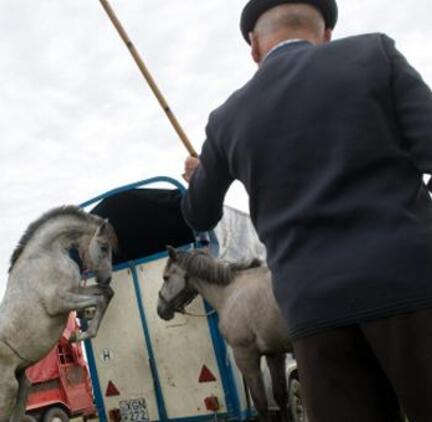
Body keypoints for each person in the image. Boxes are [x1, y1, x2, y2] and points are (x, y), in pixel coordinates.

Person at [181, 1, 432, 421]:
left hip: (313, 313)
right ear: (326, 34)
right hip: (413, 284)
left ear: (253, 45)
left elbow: (199, 214)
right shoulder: (375, 55)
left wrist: (200, 175)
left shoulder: (226, 119)